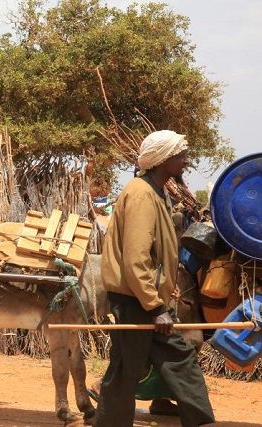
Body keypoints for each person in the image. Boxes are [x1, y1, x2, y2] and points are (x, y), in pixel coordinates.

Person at [93, 130, 215, 427]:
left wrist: (161, 295)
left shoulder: (157, 192)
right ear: (163, 159)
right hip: (135, 301)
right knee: (127, 368)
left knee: (175, 361)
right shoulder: (140, 194)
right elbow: (136, 258)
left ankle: (200, 422)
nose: (185, 160)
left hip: (146, 300)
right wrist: (155, 307)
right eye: (179, 155)